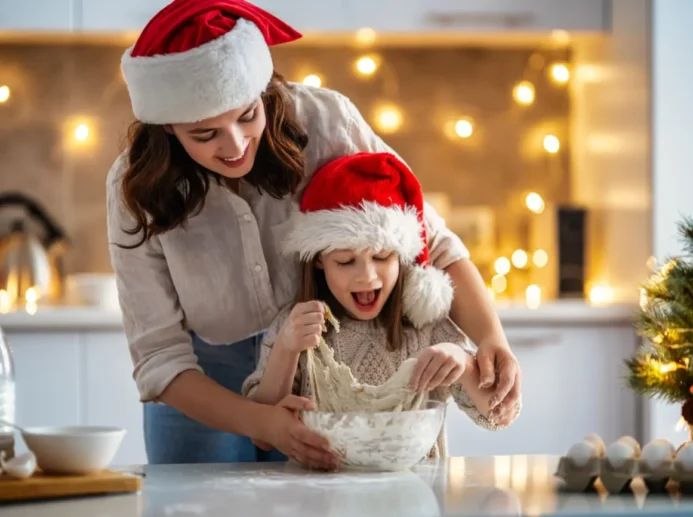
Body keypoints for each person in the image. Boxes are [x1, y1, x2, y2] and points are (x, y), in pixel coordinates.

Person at [107, 0, 521, 468]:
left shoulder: (324, 121)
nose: (236, 145)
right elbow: (160, 357)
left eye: (247, 116)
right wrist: (262, 422)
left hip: (325, 364)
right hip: (205, 378)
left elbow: (432, 240)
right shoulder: (135, 188)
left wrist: (491, 338)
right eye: (205, 134)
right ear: (167, 130)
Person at [242, 152, 520, 463]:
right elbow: (262, 437)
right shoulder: (294, 326)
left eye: (382, 257)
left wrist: (464, 364)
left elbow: (497, 416)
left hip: (414, 498)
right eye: (346, 261)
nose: (367, 276)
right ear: (319, 260)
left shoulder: (426, 326)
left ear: (402, 257)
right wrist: (286, 349)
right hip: (323, 501)